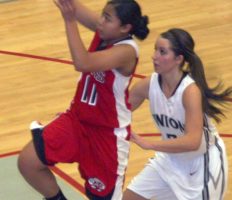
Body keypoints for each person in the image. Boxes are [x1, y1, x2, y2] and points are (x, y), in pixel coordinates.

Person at [17, 0, 149, 199]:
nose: (101, 21)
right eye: (102, 15)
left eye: (107, 18)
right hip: (76, 120)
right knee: (28, 162)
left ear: (125, 28)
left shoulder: (127, 51)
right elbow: (71, 5)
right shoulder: (107, 29)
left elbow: (83, 62)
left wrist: (69, 21)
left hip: (106, 134)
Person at [123, 28, 232, 200]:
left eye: (162, 52)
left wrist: (149, 144)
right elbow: (115, 112)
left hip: (202, 165)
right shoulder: (148, 85)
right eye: (155, 49)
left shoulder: (190, 91)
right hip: (170, 160)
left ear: (178, 59)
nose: (154, 56)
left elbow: (192, 141)